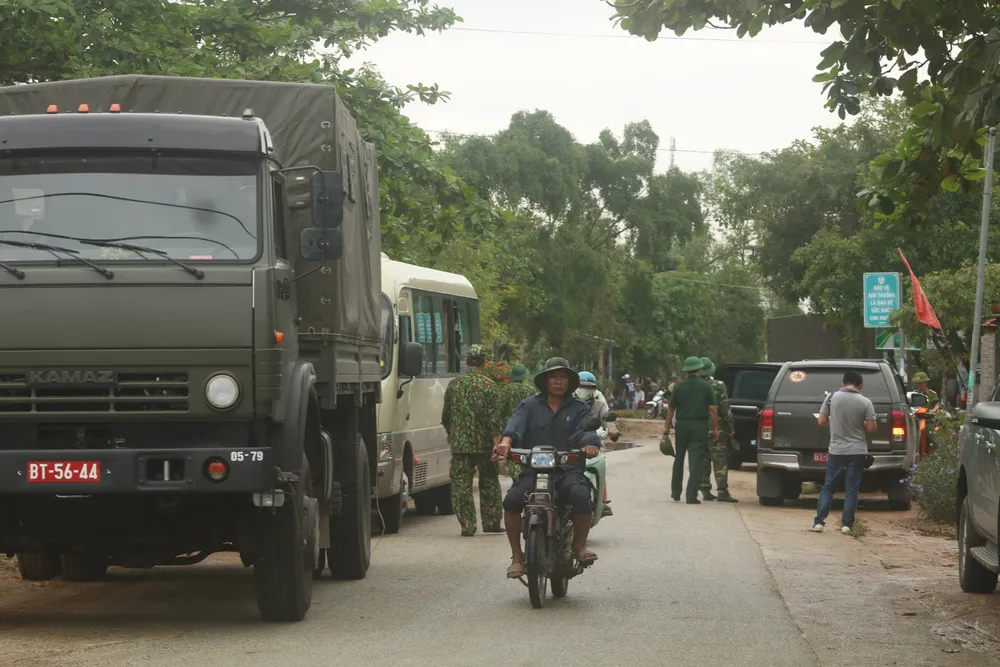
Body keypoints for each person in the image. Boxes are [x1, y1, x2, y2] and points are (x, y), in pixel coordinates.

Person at [494, 357, 601, 579]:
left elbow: (588, 432)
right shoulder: (529, 406)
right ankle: (516, 556)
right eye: (553, 377)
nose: (558, 382)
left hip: (567, 471)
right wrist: (505, 443)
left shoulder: (579, 408)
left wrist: (590, 444)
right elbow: (513, 427)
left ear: (569, 382)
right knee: (512, 500)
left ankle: (580, 546)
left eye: (562, 377)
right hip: (533, 471)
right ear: (545, 381)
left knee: (582, 495)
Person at [441, 344, 504, 537]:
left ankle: (467, 525)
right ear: (485, 363)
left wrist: (451, 433)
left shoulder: (454, 385)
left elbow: (446, 415)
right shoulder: (490, 386)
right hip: (484, 444)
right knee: (490, 481)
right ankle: (491, 522)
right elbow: (494, 420)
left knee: (461, 483)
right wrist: (497, 444)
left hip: (461, 444)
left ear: (466, 362)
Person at [810, 370, 877, 535]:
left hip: (837, 450)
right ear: (860, 386)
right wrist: (860, 424)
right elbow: (872, 428)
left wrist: (836, 425)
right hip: (857, 450)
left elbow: (821, 421)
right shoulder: (865, 402)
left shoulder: (832, 398)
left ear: (843, 383)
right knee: (851, 489)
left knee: (828, 487)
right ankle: (847, 525)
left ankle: (819, 522)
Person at [664, 356, 719, 504]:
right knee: (696, 461)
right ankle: (691, 495)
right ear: (699, 370)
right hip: (699, 426)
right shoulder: (706, 387)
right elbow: (712, 409)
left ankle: (676, 493)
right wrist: (715, 428)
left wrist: (666, 427)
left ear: (686, 371)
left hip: (682, 426)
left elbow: (671, 408)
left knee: (679, 458)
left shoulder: (679, 386)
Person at [576, 371, 618, 517]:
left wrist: (612, 430)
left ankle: (602, 500)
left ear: (593, 389)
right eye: (580, 387)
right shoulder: (568, 403)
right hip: (571, 445)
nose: (583, 391)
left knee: (600, 464)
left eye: (588, 387)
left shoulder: (599, 404)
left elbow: (608, 418)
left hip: (593, 444)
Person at [698, 357, 738, 503]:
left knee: (703, 459)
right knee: (720, 460)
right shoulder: (719, 385)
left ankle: (705, 489)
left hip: (699, 428)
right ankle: (722, 491)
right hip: (717, 429)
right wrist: (731, 427)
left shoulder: (695, 386)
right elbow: (725, 409)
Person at [500, 363, 538, 481]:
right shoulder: (531, 390)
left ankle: (517, 480)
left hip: (510, 429)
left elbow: (500, 410)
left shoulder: (506, 390)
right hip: (529, 429)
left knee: (514, 457)